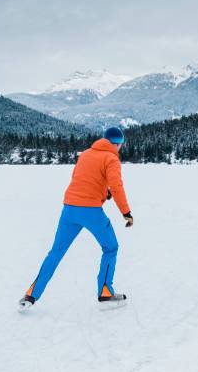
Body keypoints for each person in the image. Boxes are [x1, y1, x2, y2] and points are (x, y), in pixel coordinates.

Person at [19, 127, 133, 311]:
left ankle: (30, 295)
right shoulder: (112, 158)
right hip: (91, 211)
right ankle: (105, 293)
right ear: (117, 144)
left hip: (69, 209)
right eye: (120, 145)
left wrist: (104, 192)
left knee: (56, 252)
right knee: (111, 247)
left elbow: (81, 179)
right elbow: (117, 186)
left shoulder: (87, 153)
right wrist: (126, 212)